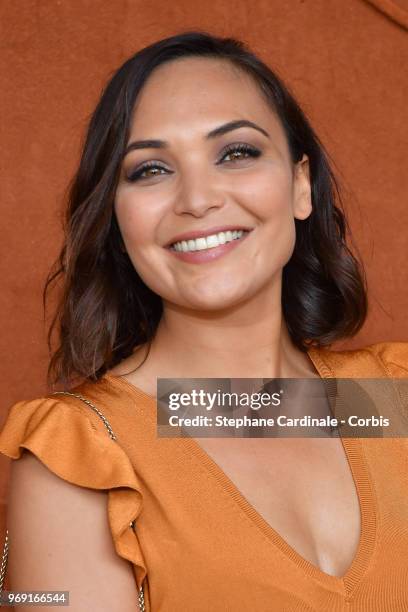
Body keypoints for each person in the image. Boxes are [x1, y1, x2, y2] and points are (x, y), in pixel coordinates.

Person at [0, 31, 407, 612]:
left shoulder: (390, 398)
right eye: (150, 169)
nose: (197, 198)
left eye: (236, 153)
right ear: (116, 218)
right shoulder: (83, 459)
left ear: (299, 185)